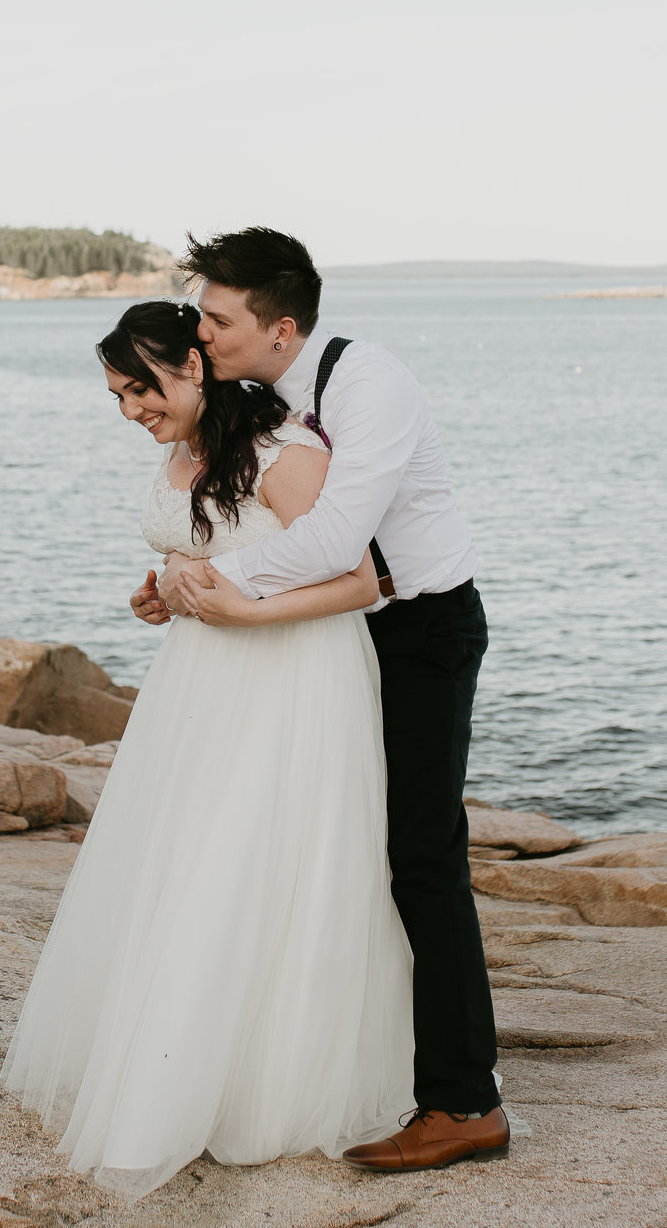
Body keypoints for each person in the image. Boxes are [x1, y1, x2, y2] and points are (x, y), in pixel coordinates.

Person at [0, 299, 415, 1197]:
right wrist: (167, 597)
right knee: (185, 859)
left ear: (192, 366)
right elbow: (210, 552)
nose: (129, 412)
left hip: (293, 678)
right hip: (200, 682)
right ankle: (176, 1062)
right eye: (116, 397)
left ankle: (259, 1089)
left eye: (138, 390)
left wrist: (243, 607)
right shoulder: (181, 453)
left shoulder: (288, 455)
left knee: (255, 862)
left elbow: (363, 579)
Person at [156, 226, 508, 1173]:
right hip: (338, 633)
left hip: (422, 632)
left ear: (281, 328)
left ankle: (466, 1100)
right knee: (336, 843)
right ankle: (368, 1065)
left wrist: (221, 581)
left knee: (422, 854)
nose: (202, 329)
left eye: (218, 317)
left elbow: (337, 540)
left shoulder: (368, 384)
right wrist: (181, 579)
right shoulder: (258, 398)